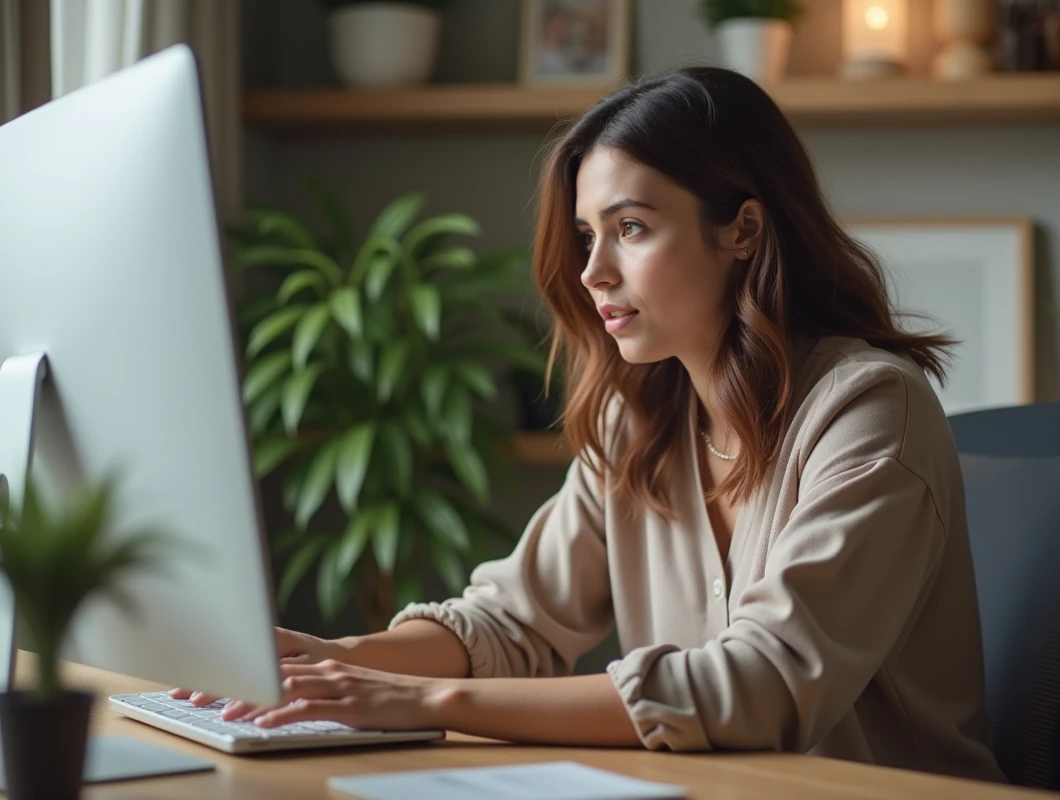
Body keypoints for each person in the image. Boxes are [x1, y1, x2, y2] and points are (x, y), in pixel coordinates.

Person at [173, 66, 1006, 783]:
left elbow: (764, 684)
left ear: (744, 229)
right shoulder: (634, 418)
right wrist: (329, 661)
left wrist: (423, 703)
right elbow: (512, 622)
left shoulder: (870, 413)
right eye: (585, 235)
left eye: (631, 228)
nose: (593, 271)